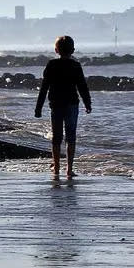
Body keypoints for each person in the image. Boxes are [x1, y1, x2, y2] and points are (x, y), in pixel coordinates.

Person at [35, 35, 92, 178]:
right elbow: (82, 87)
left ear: (56, 50)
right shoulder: (76, 65)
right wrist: (87, 103)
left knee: (57, 137)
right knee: (71, 136)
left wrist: (38, 108)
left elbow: (44, 88)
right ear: (73, 50)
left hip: (56, 104)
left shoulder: (51, 65)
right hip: (72, 104)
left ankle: (56, 167)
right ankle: (69, 169)